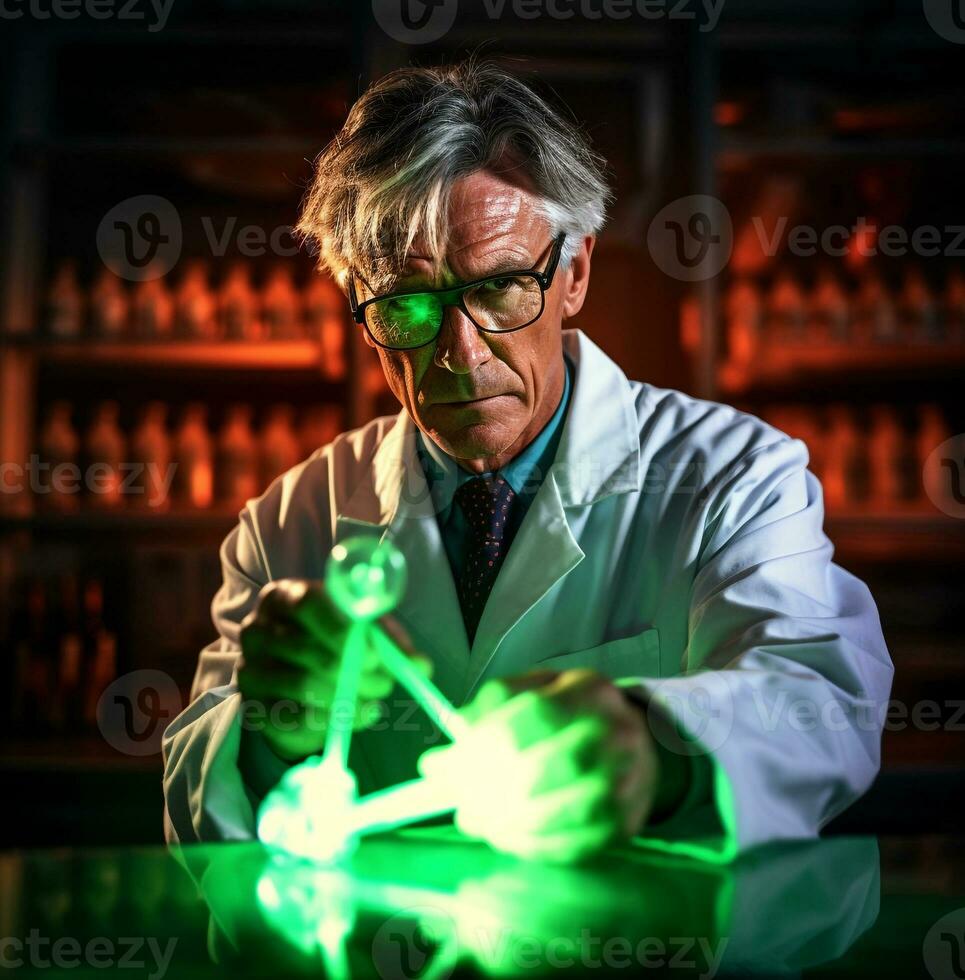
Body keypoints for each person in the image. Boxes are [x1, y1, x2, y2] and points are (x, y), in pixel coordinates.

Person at [163, 61, 892, 862]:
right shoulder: (291, 520)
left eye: (502, 287)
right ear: (358, 314)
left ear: (573, 273)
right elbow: (196, 805)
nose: (459, 352)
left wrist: (657, 752)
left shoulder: (732, 477)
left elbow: (819, 704)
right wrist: (274, 732)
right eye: (404, 302)